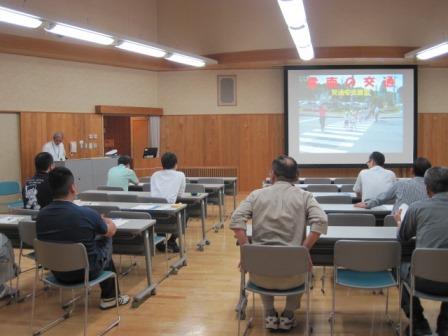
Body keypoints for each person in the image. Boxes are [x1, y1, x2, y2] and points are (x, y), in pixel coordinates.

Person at [230, 155, 328, 331]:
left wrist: (247, 253)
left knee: (264, 265)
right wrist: (303, 252)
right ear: (297, 176)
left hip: (259, 275)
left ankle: (269, 313)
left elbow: (236, 219)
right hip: (293, 277)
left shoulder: (256, 195)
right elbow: (321, 221)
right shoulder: (305, 197)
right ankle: (288, 315)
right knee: (302, 268)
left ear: (272, 175)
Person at [36, 167, 129, 309]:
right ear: (73, 187)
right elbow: (111, 231)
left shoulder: (41, 216)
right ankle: (110, 297)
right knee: (105, 238)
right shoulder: (86, 214)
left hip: (57, 273)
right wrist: (105, 221)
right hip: (86, 272)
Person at [395, 167, 448, 336]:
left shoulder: (417, 207)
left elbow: (402, 237)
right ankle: (445, 324)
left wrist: (398, 223)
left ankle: (419, 322)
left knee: (398, 266)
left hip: (422, 280)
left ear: (427, 188)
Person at [355, 157, 431, 213]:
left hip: (397, 223)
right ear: (429, 171)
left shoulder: (400, 184)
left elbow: (383, 198)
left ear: (411, 171)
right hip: (424, 225)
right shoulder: (433, 188)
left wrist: (367, 204)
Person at [150, 152, 186, 253]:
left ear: (162, 164)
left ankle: (160, 240)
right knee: (184, 214)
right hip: (169, 211)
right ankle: (172, 241)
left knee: (161, 217)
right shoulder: (180, 175)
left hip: (153, 211)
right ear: (176, 164)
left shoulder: (155, 175)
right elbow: (180, 195)